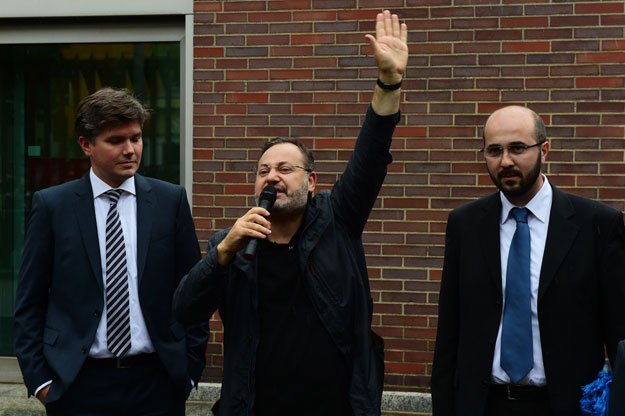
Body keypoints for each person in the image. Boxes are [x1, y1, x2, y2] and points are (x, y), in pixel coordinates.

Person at [172, 10, 407, 416]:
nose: (272, 177)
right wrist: (224, 250)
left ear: (312, 181)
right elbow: (184, 310)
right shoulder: (233, 245)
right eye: (263, 171)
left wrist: (389, 83)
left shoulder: (338, 218)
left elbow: (369, 157)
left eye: (285, 169)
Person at [14, 87, 209, 416]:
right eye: (116, 140)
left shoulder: (169, 201)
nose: (130, 150)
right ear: (86, 145)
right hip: (78, 384)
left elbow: (194, 291)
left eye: (136, 138)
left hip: (157, 382)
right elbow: (29, 302)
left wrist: (188, 371)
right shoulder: (53, 206)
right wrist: (41, 381)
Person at [430, 105, 625, 415]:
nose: (505, 161)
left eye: (517, 148)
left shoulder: (597, 224)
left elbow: (619, 334)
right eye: (494, 150)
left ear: (544, 150)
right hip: (483, 404)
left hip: (565, 405)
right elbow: (449, 336)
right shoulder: (464, 225)